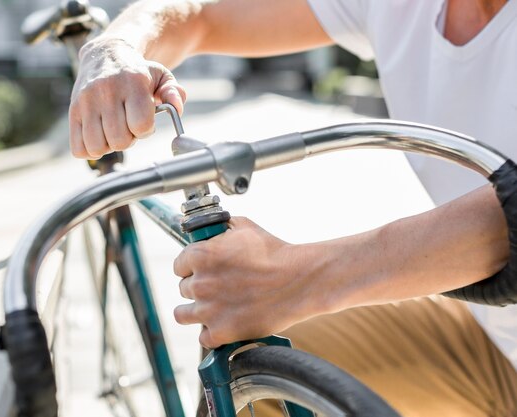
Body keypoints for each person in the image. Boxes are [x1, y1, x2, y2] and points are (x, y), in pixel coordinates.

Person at [69, 1, 517, 415]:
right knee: (252, 368)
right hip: (493, 342)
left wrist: (298, 278)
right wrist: (117, 46)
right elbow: (205, 13)